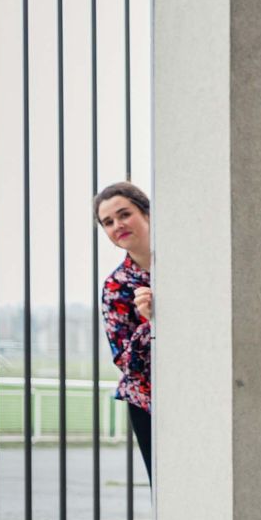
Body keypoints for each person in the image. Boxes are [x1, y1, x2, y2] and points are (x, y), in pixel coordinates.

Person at [95, 181, 154, 478]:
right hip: (149, 402)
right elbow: (124, 360)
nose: (117, 225)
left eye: (124, 214)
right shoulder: (115, 286)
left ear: (147, 214)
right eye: (108, 222)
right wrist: (150, 323)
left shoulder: (187, 265)